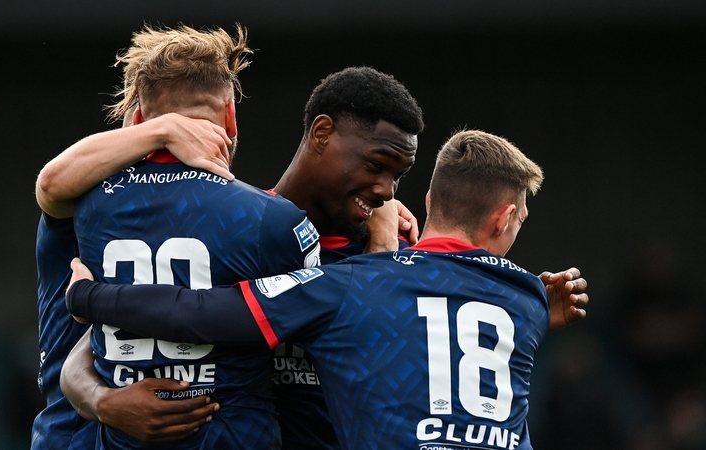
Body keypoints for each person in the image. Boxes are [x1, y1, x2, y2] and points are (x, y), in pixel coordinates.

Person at [66, 129, 587, 450]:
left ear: (427, 199)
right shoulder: (526, 301)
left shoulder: (352, 284)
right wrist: (540, 309)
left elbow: (206, 311)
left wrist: (90, 297)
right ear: (504, 218)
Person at [46, 65, 428, 449]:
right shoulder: (246, 232)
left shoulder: (399, 252)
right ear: (322, 133)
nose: (386, 189)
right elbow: (92, 346)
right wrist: (103, 402)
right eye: (376, 166)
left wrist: (382, 255)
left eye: (399, 176)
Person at [33, 23, 336, 450]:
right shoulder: (264, 220)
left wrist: (98, 395)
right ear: (230, 116)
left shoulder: (86, 203)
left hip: (74, 437)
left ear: (134, 117)